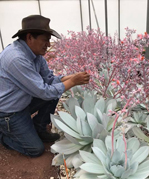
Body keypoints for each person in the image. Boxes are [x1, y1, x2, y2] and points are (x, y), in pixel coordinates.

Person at [0, 15, 90, 157]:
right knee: (35, 150)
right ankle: (4, 135)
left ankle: (39, 128)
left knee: (58, 90)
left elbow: (48, 80)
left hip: (24, 102)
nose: (48, 44)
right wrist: (73, 82)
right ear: (30, 37)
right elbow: (44, 92)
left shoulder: (36, 55)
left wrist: (71, 77)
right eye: (46, 39)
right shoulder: (16, 59)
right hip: (9, 113)